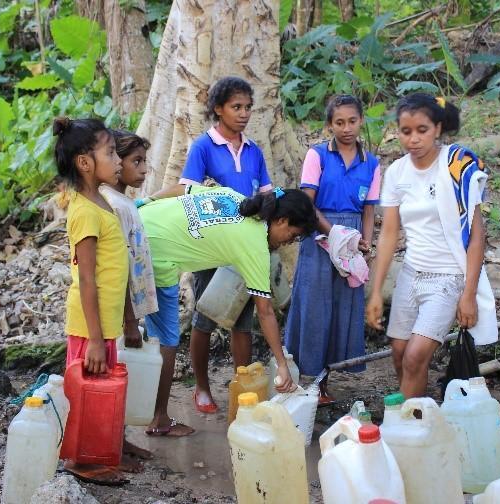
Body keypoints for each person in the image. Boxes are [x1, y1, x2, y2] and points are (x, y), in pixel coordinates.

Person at [139, 186, 317, 435]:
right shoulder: (254, 244)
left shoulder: (234, 196)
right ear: (282, 220)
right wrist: (282, 363)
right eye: (292, 234)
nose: (289, 242)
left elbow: (183, 187)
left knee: (127, 328)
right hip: (155, 253)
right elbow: (264, 311)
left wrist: (144, 202)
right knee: (167, 339)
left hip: (139, 220)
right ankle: (159, 421)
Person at [365, 93, 498, 399]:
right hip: (412, 273)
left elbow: (477, 237)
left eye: (422, 130)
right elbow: (388, 234)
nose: (413, 139)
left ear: (438, 128)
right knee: (399, 353)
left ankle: (407, 430)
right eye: (406, 131)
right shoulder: (397, 172)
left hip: (449, 276)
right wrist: (375, 291)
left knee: (414, 356)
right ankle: (420, 414)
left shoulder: (458, 167)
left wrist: (468, 294)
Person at [174, 76, 273, 414]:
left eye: (247, 107)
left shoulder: (254, 150)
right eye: (236, 107)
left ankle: (241, 386)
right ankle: (201, 387)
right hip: (211, 247)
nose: (243, 113)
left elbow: (266, 193)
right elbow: (188, 191)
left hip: (245, 246)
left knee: (243, 319)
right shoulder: (203, 147)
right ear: (218, 109)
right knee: (206, 316)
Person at [284, 95, 381, 404]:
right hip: (319, 238)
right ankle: (305, 377)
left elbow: (368, 211)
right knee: (314, 306)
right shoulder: (318, 156)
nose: (347, 128)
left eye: (352, 121)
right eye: (339, 122)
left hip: (350, 241)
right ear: (329, 125)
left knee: (342, 308)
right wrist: (334, 233)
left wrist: (365, 244)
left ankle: (326, 379)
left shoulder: (372, 164)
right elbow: (307, 203)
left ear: (361, 121)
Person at [53, 117, 129, 483]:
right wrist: (96, 340)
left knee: (102, 392)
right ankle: (81, 461)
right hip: (89, 327)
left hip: (104, 323)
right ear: (85, 162)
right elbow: (86, 279)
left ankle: (100, 451)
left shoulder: (101, 202)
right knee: (87, 394)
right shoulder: (84, 211)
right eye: (111, 153)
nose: (118, 161)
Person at [98, 129, 159, 462]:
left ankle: (119, 440)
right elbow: (117, 266)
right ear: (115, 162)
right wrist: (129, 321)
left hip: (130, 309)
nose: (144, 169)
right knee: (114, 375)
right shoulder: (112, 204)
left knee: (123, 376)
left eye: (145, 161)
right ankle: (112, 445)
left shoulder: (125, 202)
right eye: (136, 161)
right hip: (120, 313)